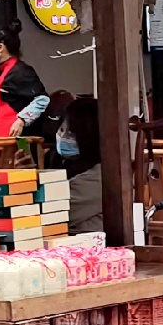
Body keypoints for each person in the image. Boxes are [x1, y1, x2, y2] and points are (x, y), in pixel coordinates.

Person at [0, 23, 49, 140]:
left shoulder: (21, 71)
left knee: (22, 152)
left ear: (0, 47)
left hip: (18, 139)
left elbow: (42, 99)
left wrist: (22, 120)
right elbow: (0, 103)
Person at [56, 97, 105, 234]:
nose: (62, 137)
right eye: (61, 130)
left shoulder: (98, 178)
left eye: (71, 133)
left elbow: (51, 214)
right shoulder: (66, 164)